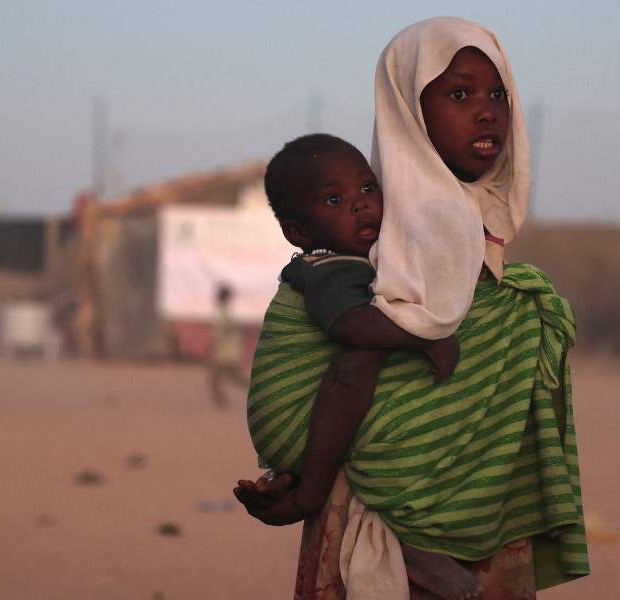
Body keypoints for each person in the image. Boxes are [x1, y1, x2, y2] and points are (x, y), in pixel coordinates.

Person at [234, 17, 589, 600]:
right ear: (407, 110)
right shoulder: (398, 231)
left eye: (498, 93)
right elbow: (359, 363)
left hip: (477, 510)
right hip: (392, 519)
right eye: (458, 94)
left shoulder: (468, 219)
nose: (487, 111)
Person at [208, 284, 249, 408]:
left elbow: (217, 335)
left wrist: (211, 351)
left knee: (219, 378)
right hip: (231, 351)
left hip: (224, 352)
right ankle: (221, 402)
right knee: (233, 377)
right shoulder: (229, 313)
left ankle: (221, 402)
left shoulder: (222, 314)